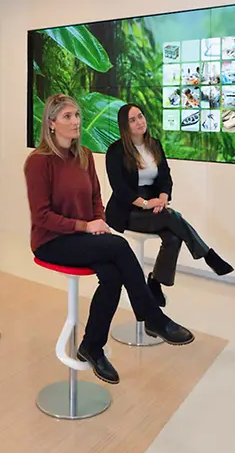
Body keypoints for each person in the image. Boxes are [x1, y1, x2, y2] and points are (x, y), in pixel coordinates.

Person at [25, 94, 195, 385]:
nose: (76, 121)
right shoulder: (38, 162)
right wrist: (85, 226)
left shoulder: (84, 155)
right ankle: (152, 317)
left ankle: (92, 345)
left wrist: (99, 220)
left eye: (77, 115)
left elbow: (95, 197)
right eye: (67, 117)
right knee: (119, 245)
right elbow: (41, 216)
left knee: (114, 275)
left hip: (85, 236)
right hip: (52, 240)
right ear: (51, 123)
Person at [105, 104, 232, 307]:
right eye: (132, 120)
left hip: (154, 205)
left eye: (140, 116)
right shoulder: (115, 151)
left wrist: (163, 197)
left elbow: (165, 177)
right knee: (171, 217)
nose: (139, 122)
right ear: (124, 126)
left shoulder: (153, 144)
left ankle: (155, 282)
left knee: (173, 237)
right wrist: (146, 204)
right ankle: (208, 255)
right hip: (127, 210)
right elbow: (120, 189)